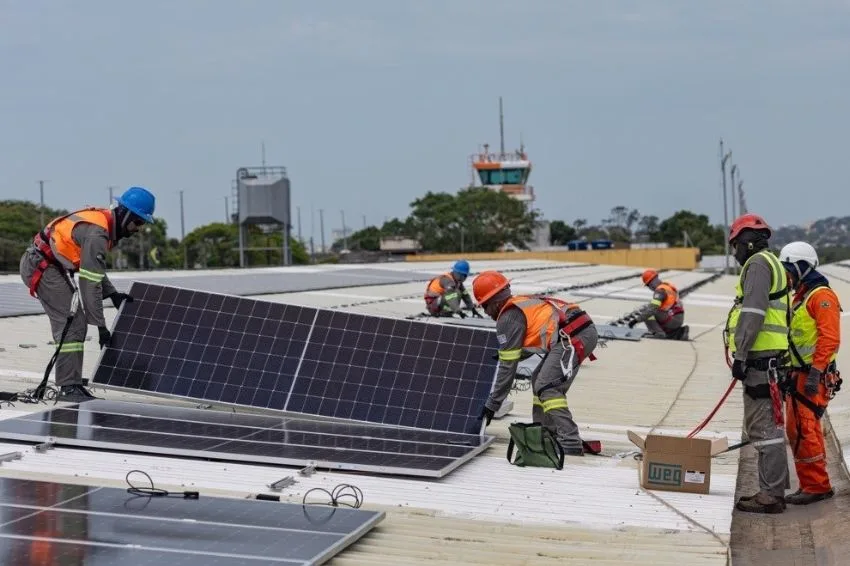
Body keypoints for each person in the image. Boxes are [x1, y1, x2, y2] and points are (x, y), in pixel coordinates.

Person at [19, 187, 156, 402]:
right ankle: (68, 388)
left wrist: (112, 294)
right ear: (125, 214)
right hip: (41, 267)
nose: (138, 228)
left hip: (50, 265)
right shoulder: (98, 232)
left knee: (75, 323)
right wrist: (101, 327)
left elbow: (93, 268)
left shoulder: (104, 225)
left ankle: (71, 384)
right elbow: (89, 283)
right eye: (138, 222)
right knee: (72, 324)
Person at [473, 270, 598, 456]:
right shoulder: (520, 304)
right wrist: (504, 355)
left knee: (547, 387)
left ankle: (570, 441)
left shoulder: (508, 317)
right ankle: (545, 432)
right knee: (538, 379)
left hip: (572, 336)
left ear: (495, 301)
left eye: (485, 306)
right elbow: (520, 351)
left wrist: (493, 404)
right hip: (577, 331)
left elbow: (509, 368)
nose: (485, 312)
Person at [725, 213, 791, 514]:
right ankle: (772, 490)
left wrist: (741, 355)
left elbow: (753, 312)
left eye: (735, 245)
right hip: (770, 359)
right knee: (768, 427)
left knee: (765, 430)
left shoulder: (758, 264)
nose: (734, 252)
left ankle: (771, 495)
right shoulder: (773, 262)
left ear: (748, 242)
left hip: (760, 360)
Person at [779, 241, 842, 505]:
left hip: (811, 376)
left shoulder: (821, 296)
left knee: (804, 430)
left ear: (801, 266)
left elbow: (830, 339)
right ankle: (813, 483)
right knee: (801, 429)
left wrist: (815, 373)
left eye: (789, 270)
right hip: (800, 374)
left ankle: (817, 487)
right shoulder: (803, 295)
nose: (787, 277)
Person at [627, 269, 689, 340]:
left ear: (652, 282)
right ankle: (678, 332)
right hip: (677, 318)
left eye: (648, 285)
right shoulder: (667, 286)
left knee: (648, 311)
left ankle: (659, 333)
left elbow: (652, 309)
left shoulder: (660, 291)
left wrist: (635, 321)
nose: (650, 287)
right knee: (650, 309)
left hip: (672, 319)